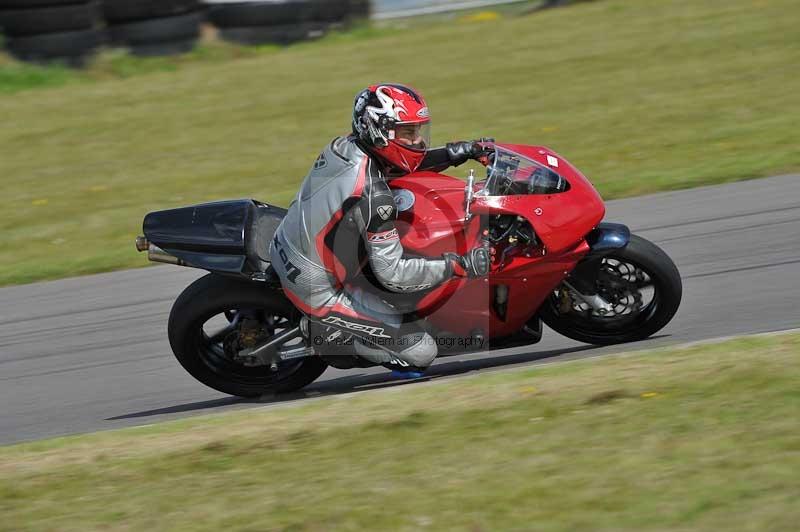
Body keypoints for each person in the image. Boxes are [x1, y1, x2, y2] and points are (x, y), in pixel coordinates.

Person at [269, 83, 490, 377]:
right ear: (378, 130)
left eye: (418, 131)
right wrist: (457, 265)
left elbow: (402, 162)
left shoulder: (347, 146)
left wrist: (457, 153)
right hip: (317, 286)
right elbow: (393, 274)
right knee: (422, 352)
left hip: (299, 241)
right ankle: (330, 335)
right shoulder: (375, 197)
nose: (417, 141)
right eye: (407, 133)